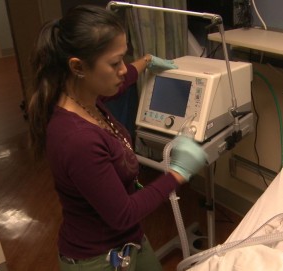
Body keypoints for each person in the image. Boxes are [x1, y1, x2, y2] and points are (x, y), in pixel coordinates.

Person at [27, 5, 207, 271]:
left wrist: (146, 61)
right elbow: (124, 214)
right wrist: (177, 174)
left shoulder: (84, 98)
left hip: (128, 241)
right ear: (77, 67)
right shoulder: (77, 140)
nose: (123, 69)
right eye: (114, 63)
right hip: (97, 257)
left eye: (124, 58)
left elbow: (122, 81)